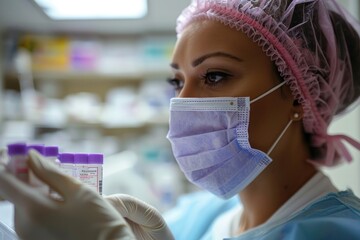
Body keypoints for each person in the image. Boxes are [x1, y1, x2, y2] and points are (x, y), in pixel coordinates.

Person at [1, 0, 360, 239]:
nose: (182, 102)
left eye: (215, 75)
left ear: (300, 93)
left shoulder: (339, 232)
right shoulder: (204, 215)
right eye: (177, 81)